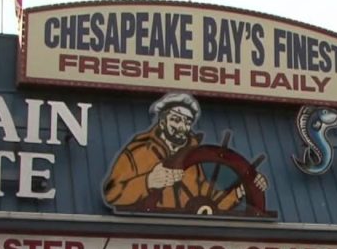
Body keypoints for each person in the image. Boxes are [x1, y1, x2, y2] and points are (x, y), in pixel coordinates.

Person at [102, 92, 267, 214]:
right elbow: (112, 195)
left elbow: (205, 201)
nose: (182, 127)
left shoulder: (192, 157)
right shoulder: (138, 151)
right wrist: (148, 181)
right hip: (144, 233)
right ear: (162, 120)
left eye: (187, 122)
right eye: (176, 119)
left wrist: (241, 189)